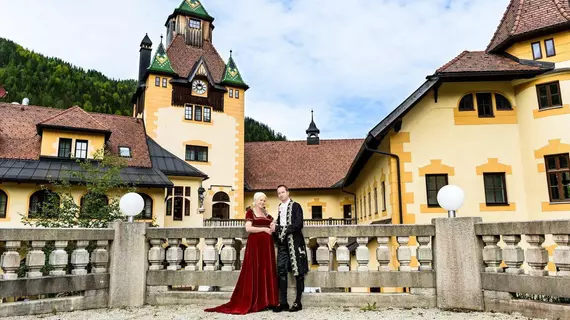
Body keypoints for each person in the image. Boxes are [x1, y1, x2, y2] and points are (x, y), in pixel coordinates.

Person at [204, 192, 278, 314]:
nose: (262, 202)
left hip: (266, 247)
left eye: (264, 200)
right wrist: (264, 229)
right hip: (255, 246)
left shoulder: (266, 214)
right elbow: (248, 228)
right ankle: (256, 301)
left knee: (265, 271)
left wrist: (273, 224)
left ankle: (266, 301)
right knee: (255, 271)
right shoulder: (250, 212)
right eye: (260, 200)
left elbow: (273, 222)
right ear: (255, 200)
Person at [272, 185, 309, 313]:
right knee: (281, 271)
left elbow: (299, 224)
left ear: (288, 192)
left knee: (298, 273)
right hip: (283, 244)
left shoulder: (296, 206)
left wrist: (280, 229)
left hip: (295, 243)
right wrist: (275, 227)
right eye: (279, 193)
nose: (281, 195)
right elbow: (280, 223)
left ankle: (298, 302)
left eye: (283, 192)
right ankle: (283, 302)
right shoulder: (280, 207)